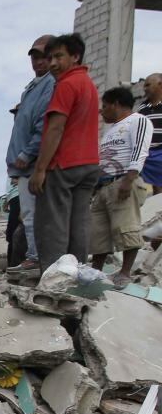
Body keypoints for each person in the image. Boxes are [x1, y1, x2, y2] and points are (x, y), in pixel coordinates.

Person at [28, 33, 100, 272]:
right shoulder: (87, 83)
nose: (52, 64)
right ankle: (77, 273)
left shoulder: (67, 84)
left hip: (64, 164)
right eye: (50, 58)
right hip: (88, 164)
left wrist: (39, 170)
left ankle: (54, 277)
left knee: (53, 225)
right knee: (77, 224)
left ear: (75, 56)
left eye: (59, 56)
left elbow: (55, 128)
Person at [90, 87, 152, 288]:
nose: (102, 111)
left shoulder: (138, 120)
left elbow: (140, 149)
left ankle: (125, 272)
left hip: (123, 181)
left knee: (126, 227)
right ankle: (95, 272)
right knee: (98, 233)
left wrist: (129, 179)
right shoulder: (110, 131)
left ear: (116, 103)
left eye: (105, 106)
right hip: (103, 186)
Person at [6, 35, 56, 273]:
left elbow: (43, 126)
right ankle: (34, 257)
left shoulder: (50, 84)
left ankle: (36, 258)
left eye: (42, 56)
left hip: (34, 163)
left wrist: (26, 154)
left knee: (33, 215)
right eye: (34, 57)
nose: (37, 61)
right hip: (25, 165)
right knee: (29, 215)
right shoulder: (33, 87)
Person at [137, 73, 162, 194]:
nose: (145, 88)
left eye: (148, 85)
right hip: (148, 154)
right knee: (156, 188)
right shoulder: (142, 107)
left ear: (160, 85)